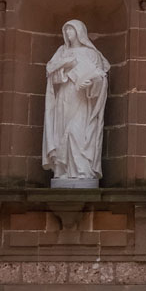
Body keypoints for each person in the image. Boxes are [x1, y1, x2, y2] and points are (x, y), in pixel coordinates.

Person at [42, 19, 110, 186]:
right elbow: (51, 74)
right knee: (61, 131)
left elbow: (100, 76)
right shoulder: (62, 51)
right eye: (66, 31)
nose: (68, 34)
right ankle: (62, 171)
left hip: (83, 99)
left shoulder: (91, 54)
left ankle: (82, 171)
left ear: (80, 32)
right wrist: (63, 69)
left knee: (77, 131)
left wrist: (91, 83)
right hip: (64, 96)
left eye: (71, 30)